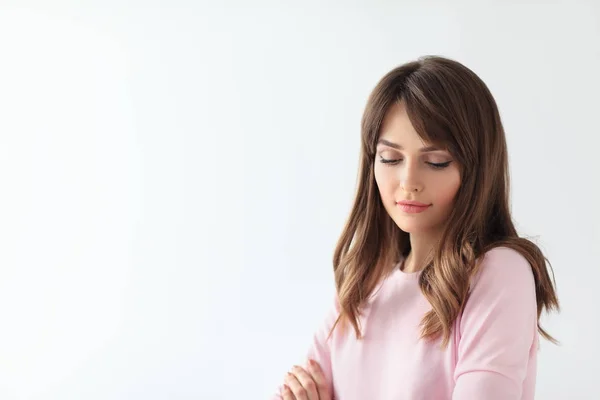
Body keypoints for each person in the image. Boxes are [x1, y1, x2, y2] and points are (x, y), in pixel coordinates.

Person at [271, 55, 559, 400]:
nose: (408, 181)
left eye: (436, 162)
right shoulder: (360, 284)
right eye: (390, 159)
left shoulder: (498, 272)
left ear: (477, 168)